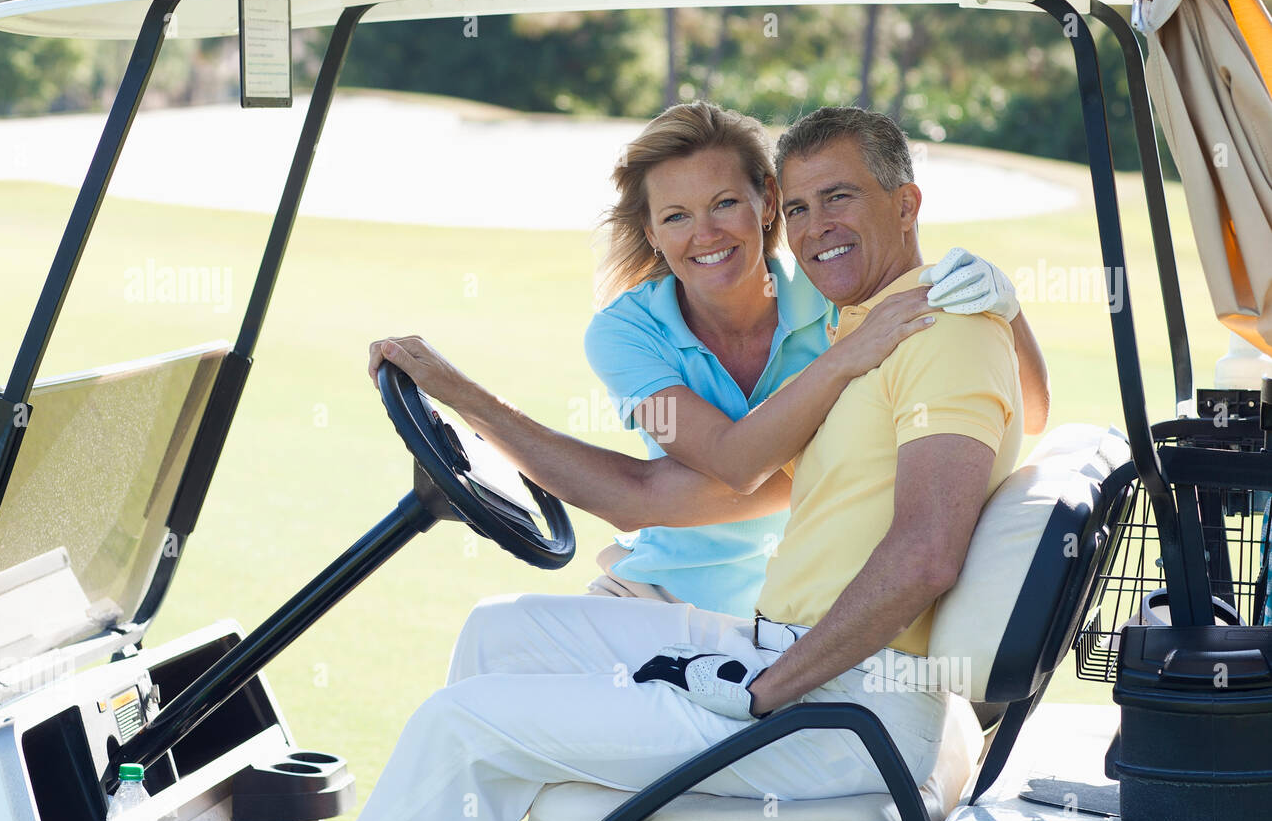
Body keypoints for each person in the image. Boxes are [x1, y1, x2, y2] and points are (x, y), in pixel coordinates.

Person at [341, 106, 1024, 821]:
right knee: (495, 634)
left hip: (839, 694)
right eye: (803, 206)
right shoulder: (855, 327)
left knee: (460, 725)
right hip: (782, 648)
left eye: (840, 197)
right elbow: (660, 492)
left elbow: (926, 548)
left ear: (906, 203)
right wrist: (458, 393)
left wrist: (766, 688)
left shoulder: (913, 326)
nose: (815, 224)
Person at [375, 102, 1049, 618]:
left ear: (765, 205)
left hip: (795, 617)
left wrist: (1008, 310)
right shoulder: (629, 332)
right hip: (655, 595)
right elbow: (713, 473)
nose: (706, 235)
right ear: (652, 233)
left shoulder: (838, 296)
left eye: (726, 203)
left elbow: (1030, 412)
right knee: (498, 654)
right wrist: (456, 391)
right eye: (676, 217)